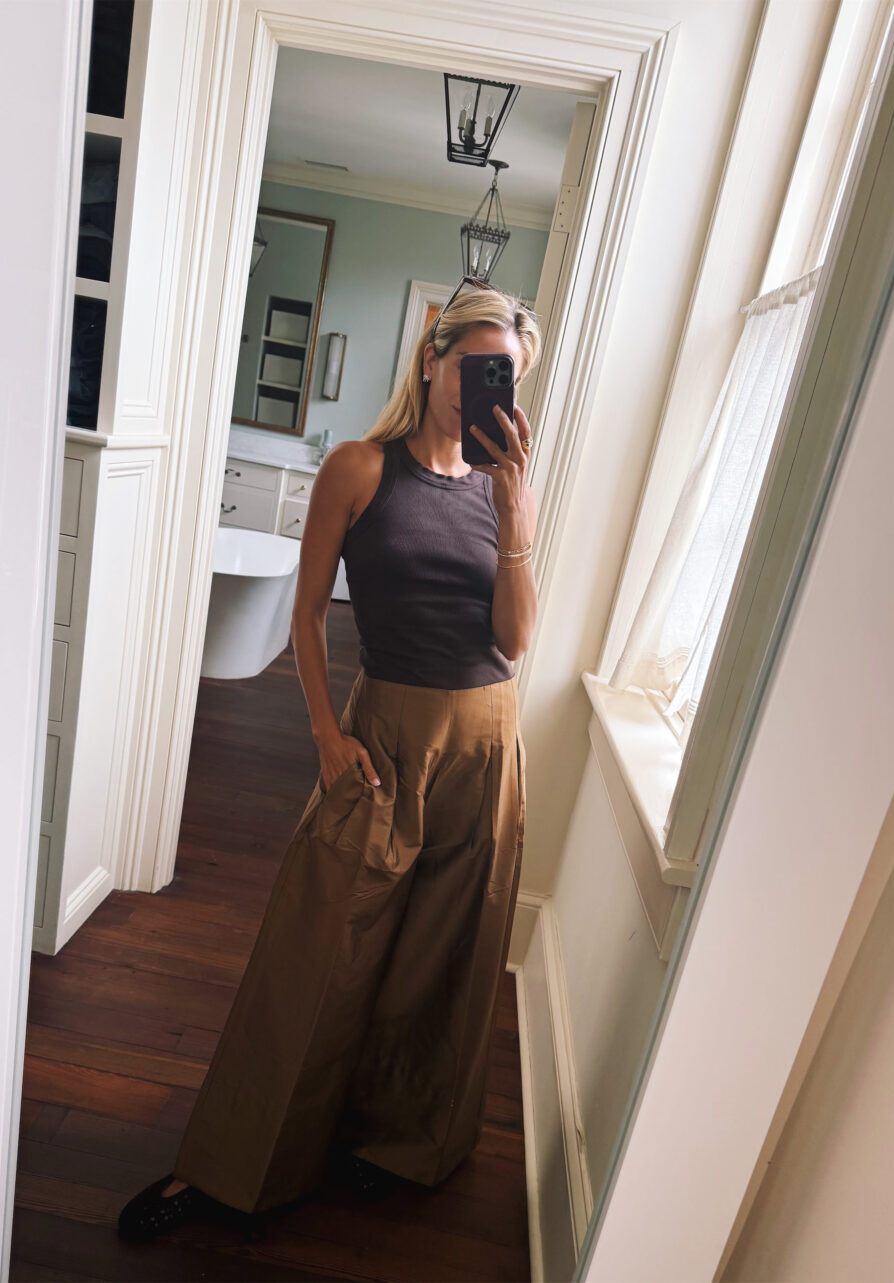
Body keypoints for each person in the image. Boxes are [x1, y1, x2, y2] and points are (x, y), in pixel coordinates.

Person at [117, 277, 542, 1242]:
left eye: (504, 375)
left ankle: (400, 1145)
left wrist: (514, 508)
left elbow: (516, 640)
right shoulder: (359, 468)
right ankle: (230, 1166)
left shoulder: (506, 487)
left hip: (486, 742)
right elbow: (308, 613)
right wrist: (322, 730)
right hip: (383, 732)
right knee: (319, 947)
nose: (482, 386)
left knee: (446, 953)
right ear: (431, 358)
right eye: (471, 364)